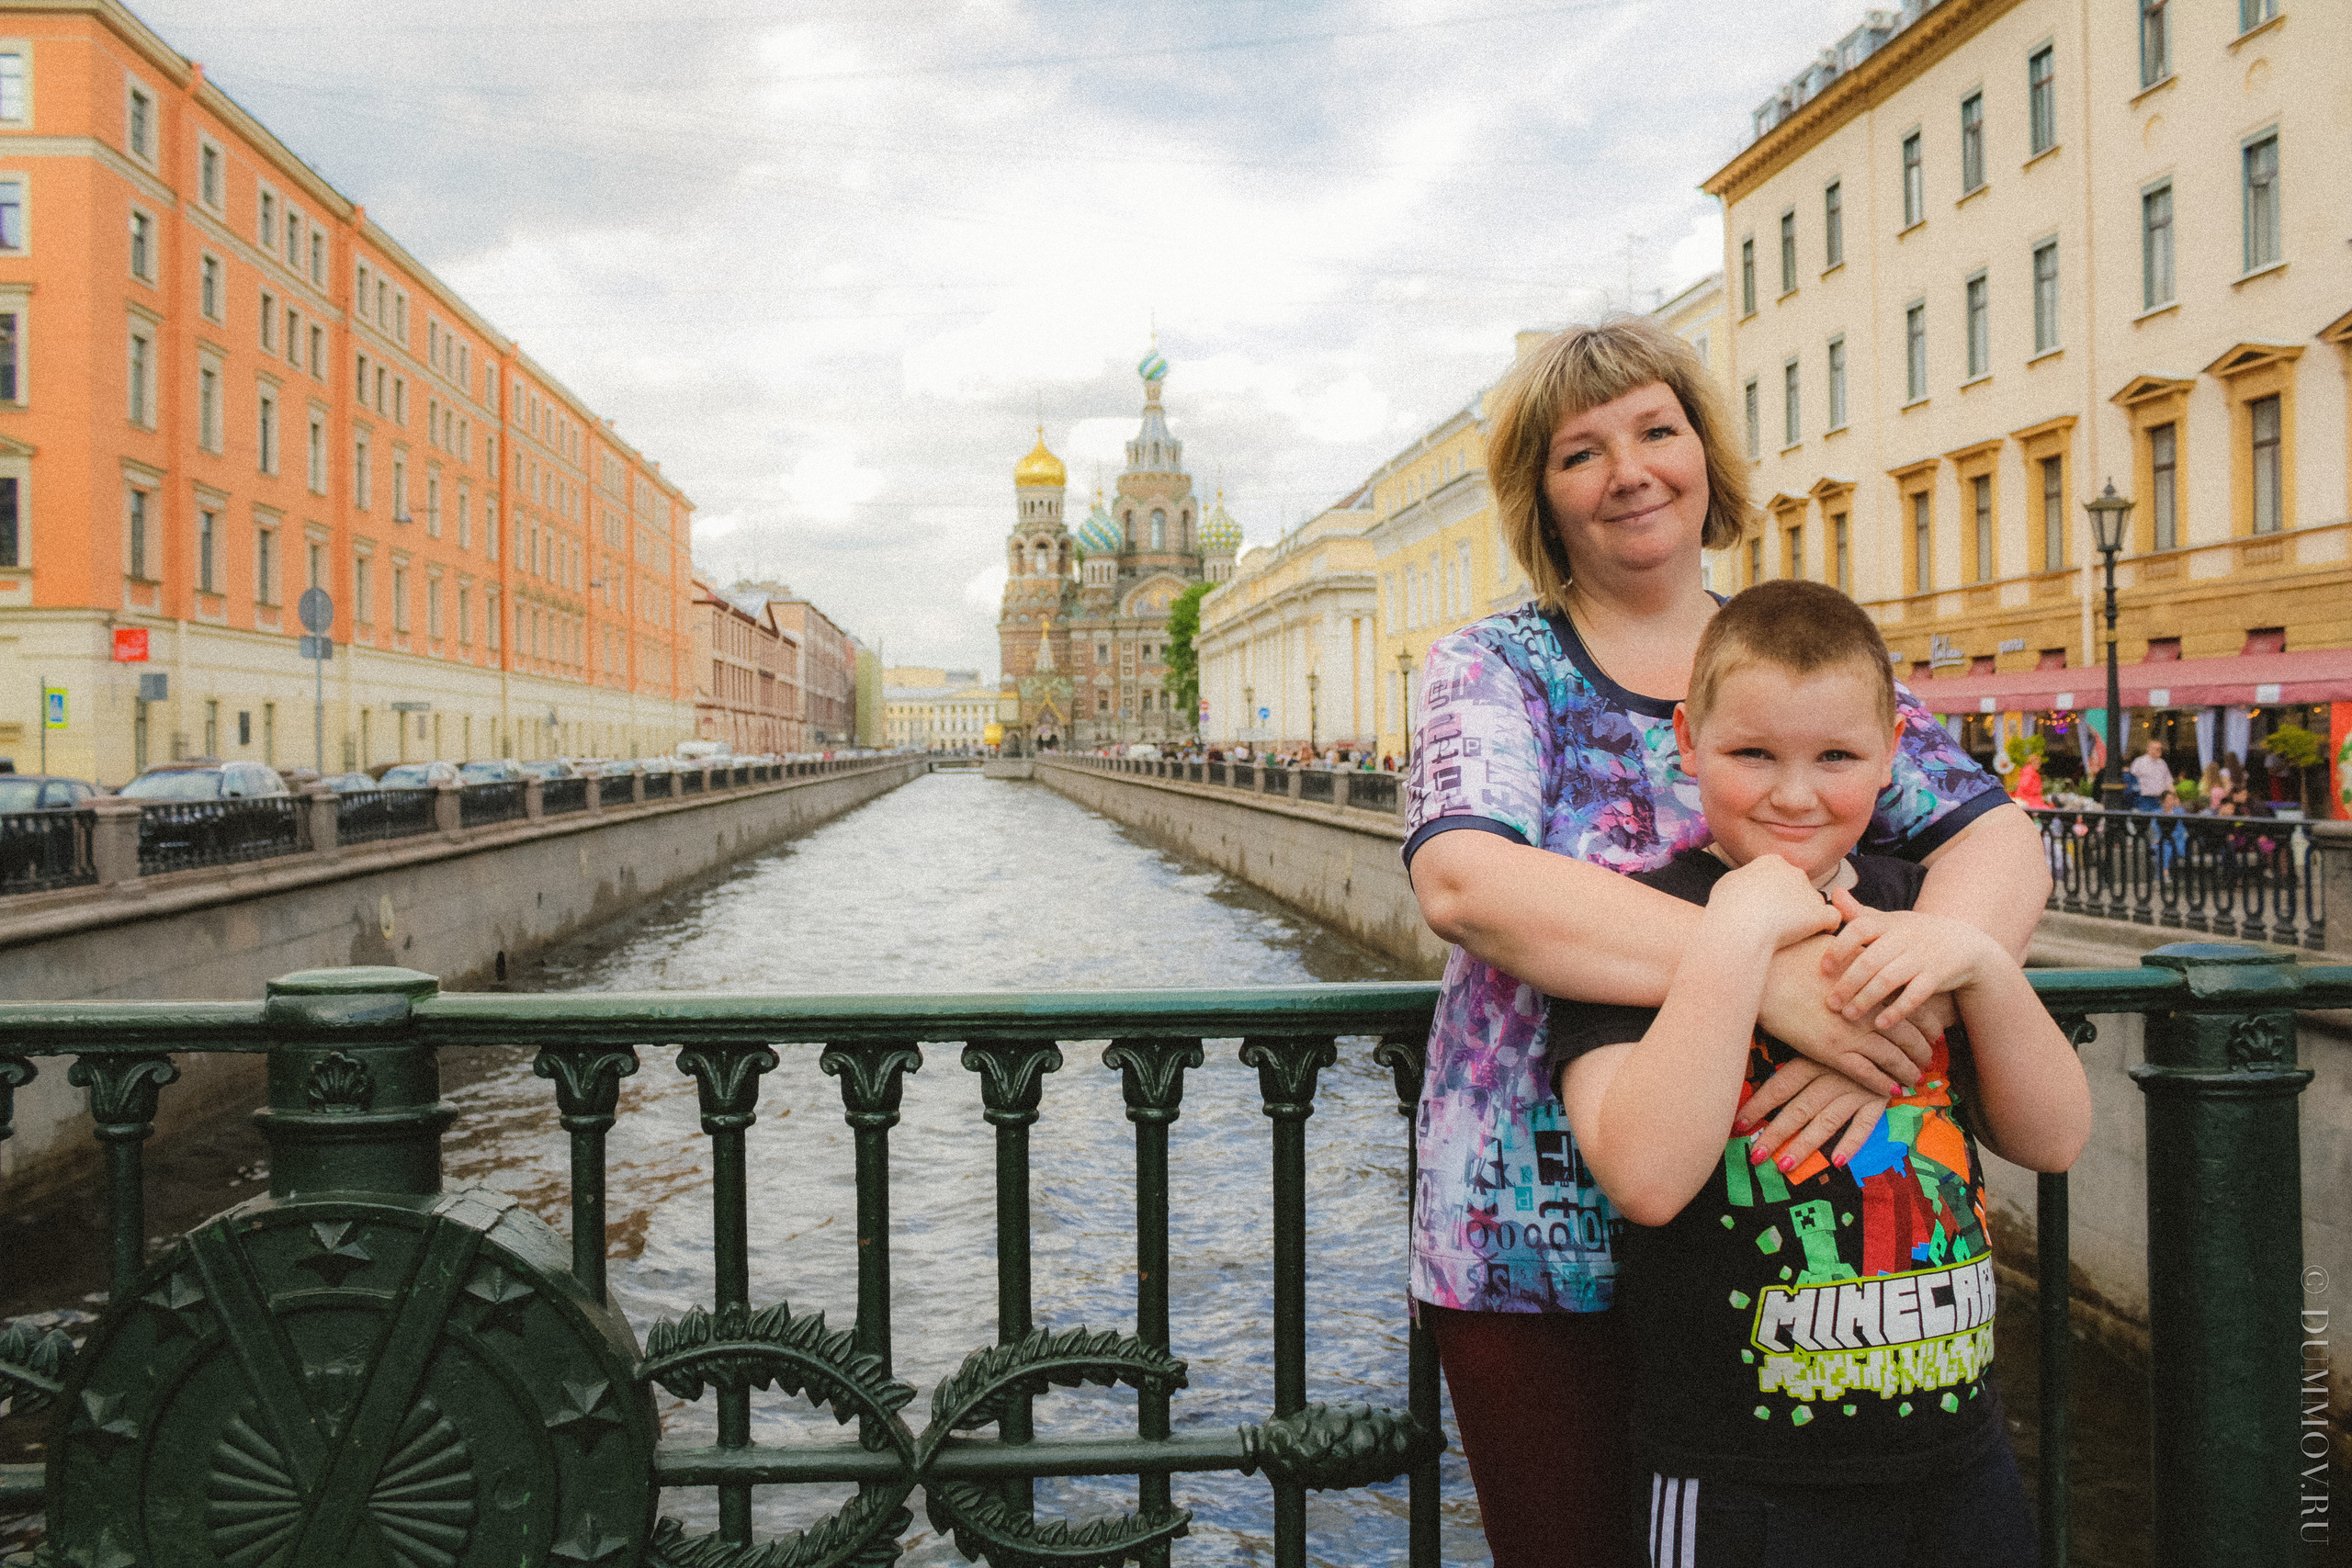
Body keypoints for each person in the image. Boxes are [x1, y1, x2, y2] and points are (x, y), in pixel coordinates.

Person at [1401, 318, 2050, 1568]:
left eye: (1658, 428)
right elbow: (1471, 878)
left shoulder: (1786, 648)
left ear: (1706, 452)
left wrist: (1878, 1004)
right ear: (1542, 492)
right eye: (1581, 450)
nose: (1631, 468)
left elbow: (2000, 842)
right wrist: (1771, 976)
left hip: (1805, 1254)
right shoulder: (1494, 663)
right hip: (1543, 1236)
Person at [1546, 581, 2089, 1566]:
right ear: (1688, 743)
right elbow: (1645, 1179)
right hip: (1740, 1481)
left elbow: (2052, 1138)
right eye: (1752, 754)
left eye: (1835, 757)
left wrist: (1979, 964)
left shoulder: (1920, 909)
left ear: (1891, 754)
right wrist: (1736, 931)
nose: (1793, 795)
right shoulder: (1635, 931)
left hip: (1959, 1457)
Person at [2125, 738, 2172, 813]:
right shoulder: (2139, 762)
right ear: (2149, 749)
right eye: (2157, 749)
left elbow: (2168, 782)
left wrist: (2174, 797)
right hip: (2144, 799)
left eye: (2160, 749)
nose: (2160, 751)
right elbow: (2132, 780)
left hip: (2160, 799)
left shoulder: (2162, 763)